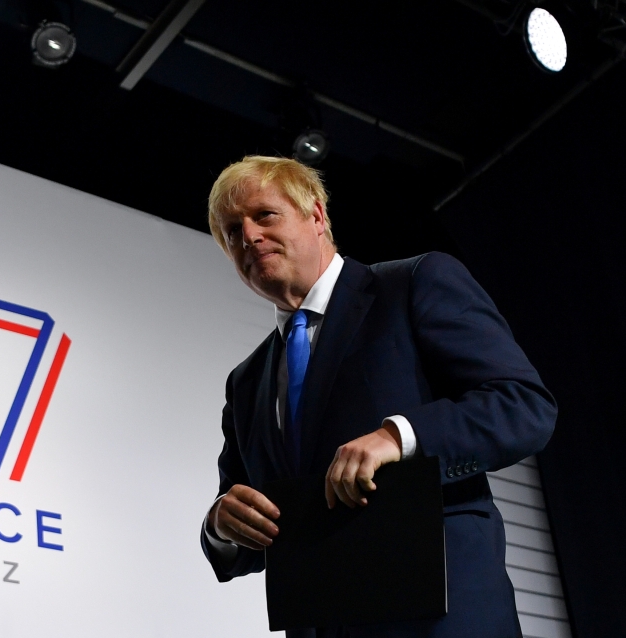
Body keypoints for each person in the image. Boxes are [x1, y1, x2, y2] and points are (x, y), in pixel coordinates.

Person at [200, 156, 557, 638]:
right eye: (231, 232)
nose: (248, 237)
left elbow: (523, 405)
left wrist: (400, 436)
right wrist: (220, 525)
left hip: (444, 620)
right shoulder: (245, 382)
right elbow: (249, 515)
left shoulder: (415, 283)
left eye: (264, 215)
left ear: (317, 216)